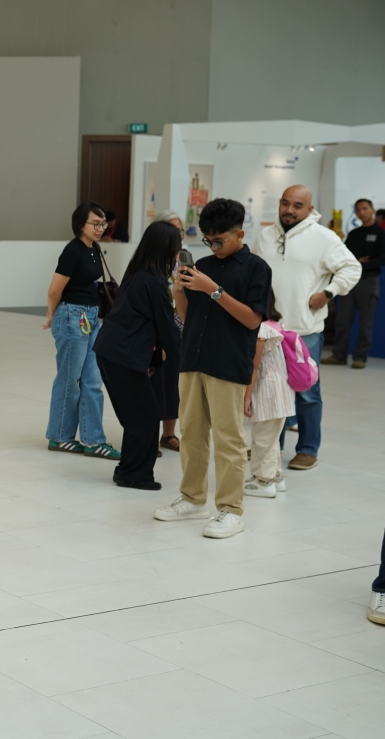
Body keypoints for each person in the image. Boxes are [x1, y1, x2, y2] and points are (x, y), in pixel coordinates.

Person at [154, 198, 270, 539]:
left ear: (239, 234)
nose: (213, 247)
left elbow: (252, 319)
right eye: (208, 240)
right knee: (191, 433)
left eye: (219, 240)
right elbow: (188, 316)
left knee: (228, 438)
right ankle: (192, 498)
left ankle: (231, 510)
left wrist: (214, 290)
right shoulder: (202, 265)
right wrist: (180, 289)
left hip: (229, 363)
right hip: (192, 359)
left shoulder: (256, 268)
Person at [256, 185, 361, 470]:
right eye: (285, 203)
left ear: (309, 208)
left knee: (307, 393)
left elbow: (352, 268)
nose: (289, 210)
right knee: (271, 392)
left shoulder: (324, 237)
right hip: (269, 331)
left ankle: (307, 449)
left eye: (297, 205)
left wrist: (328, 293)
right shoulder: (265, 236)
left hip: (305, 332)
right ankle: (271, 449)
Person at [93, 221, 182, 489]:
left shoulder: (138, 272)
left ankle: (128, 470)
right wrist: (187, 359)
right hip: (123, 355)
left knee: (138, 417)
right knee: (145, 416)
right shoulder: (154, 281)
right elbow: (167, 327)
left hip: (111, 350)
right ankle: (135, 475)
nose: (177, 254)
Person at [42, 201, 117, 459]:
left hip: (91, 316)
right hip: (72, 316)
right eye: (95, 223)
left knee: (93, 380)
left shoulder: (93, 248)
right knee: (69, 379)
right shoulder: (72, 251)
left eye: (102, 223)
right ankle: (59, 437)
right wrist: (52, 315)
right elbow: (54, 291)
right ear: (80, 225)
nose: (100, 228)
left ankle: (93, 440)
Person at [243, 297, 294, 498]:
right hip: (279, 390)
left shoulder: (261, 330)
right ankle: (276, 477)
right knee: (271, 437)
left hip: (268, 390)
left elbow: (254, 366)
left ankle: (263, 481)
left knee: (262, 438)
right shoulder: (275, 326)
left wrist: (247, 397)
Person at [328, 198, 384, 368]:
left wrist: (360, 263)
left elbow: (381, 259)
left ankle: (360, 357)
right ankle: (339, 355)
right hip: (349, 281)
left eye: (365, 209)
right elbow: (346, 256)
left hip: (369, 281)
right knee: (342, 320)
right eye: (358, 210)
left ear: (372, 210)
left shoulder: (381, 234)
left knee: (366, 323)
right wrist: (359, 261)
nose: (362, 212)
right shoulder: (354, 234)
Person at [153, 210, 187, 452]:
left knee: (174, 383)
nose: (177, 235)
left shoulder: (184, 259)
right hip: (157, 331)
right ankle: (148, 434)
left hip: (180, 331)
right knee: (154, 382)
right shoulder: (151, 261)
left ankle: (168, 434)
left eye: (180, 230)